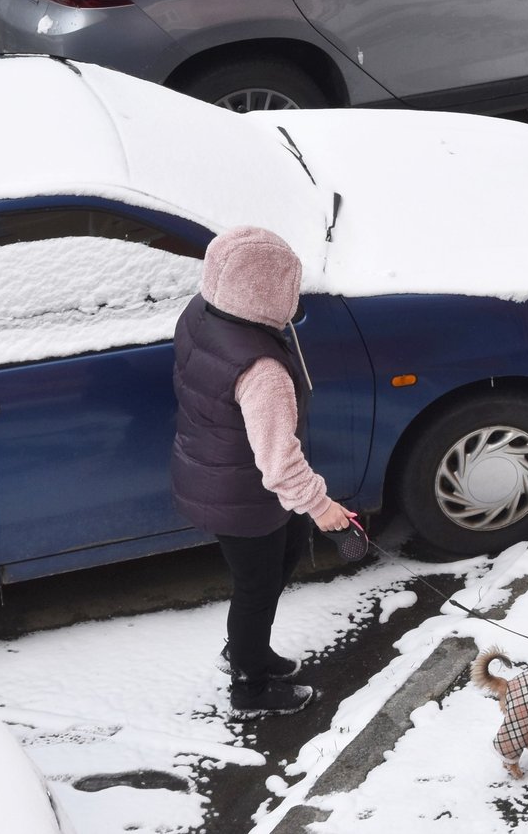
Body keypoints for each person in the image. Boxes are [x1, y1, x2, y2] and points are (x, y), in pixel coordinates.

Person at [170, 225, 354, 717]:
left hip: (220, 473)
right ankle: (249, 688)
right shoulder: (261, 370)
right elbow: (278, 463)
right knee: (257, 588)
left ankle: (249, 651)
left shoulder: (202, 313)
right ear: (267, 292)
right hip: (243, 493)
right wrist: (324, 509)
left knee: (275, 568)